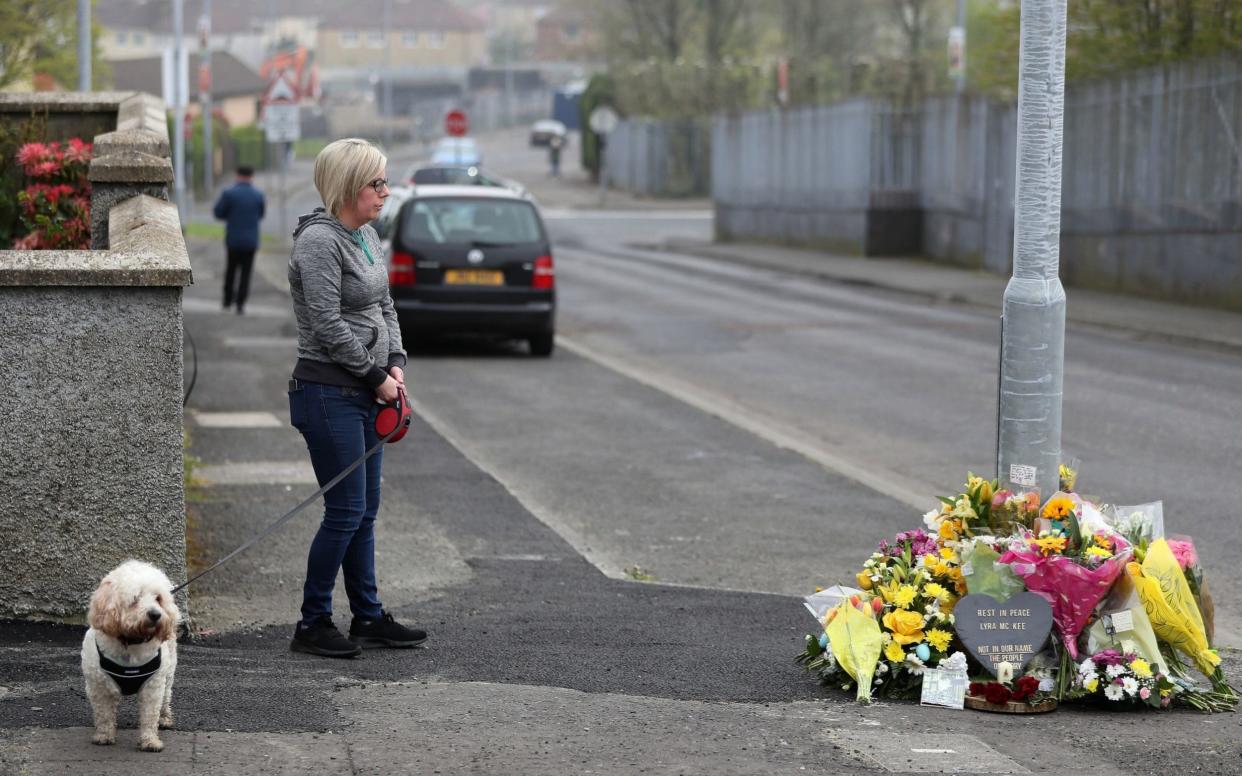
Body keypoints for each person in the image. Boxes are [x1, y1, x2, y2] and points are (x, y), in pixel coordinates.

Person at [286, 138, 426, 658]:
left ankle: (367, 616)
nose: (386, 192)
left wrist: (395, 364)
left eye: (386, 182)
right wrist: (374, 377)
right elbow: (325, 324)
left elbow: (384, 306)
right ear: (349, 187)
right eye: (377, 183)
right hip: (327, 392)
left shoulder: (366, 235)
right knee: (344, 511)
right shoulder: (319, 243)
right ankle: (313, 622)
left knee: (365, 511)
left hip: (367, 389)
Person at [212, 166, 265, 314]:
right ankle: (241, 304)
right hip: (251, 241)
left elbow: (218, 212)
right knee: (246, 273)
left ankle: (227, 301)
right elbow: (261, 214)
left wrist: (230, 216)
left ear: (237, 175)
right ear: (251, 176)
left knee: (231, 270)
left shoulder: (229, 193)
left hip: (233, 240)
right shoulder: (258, 195)